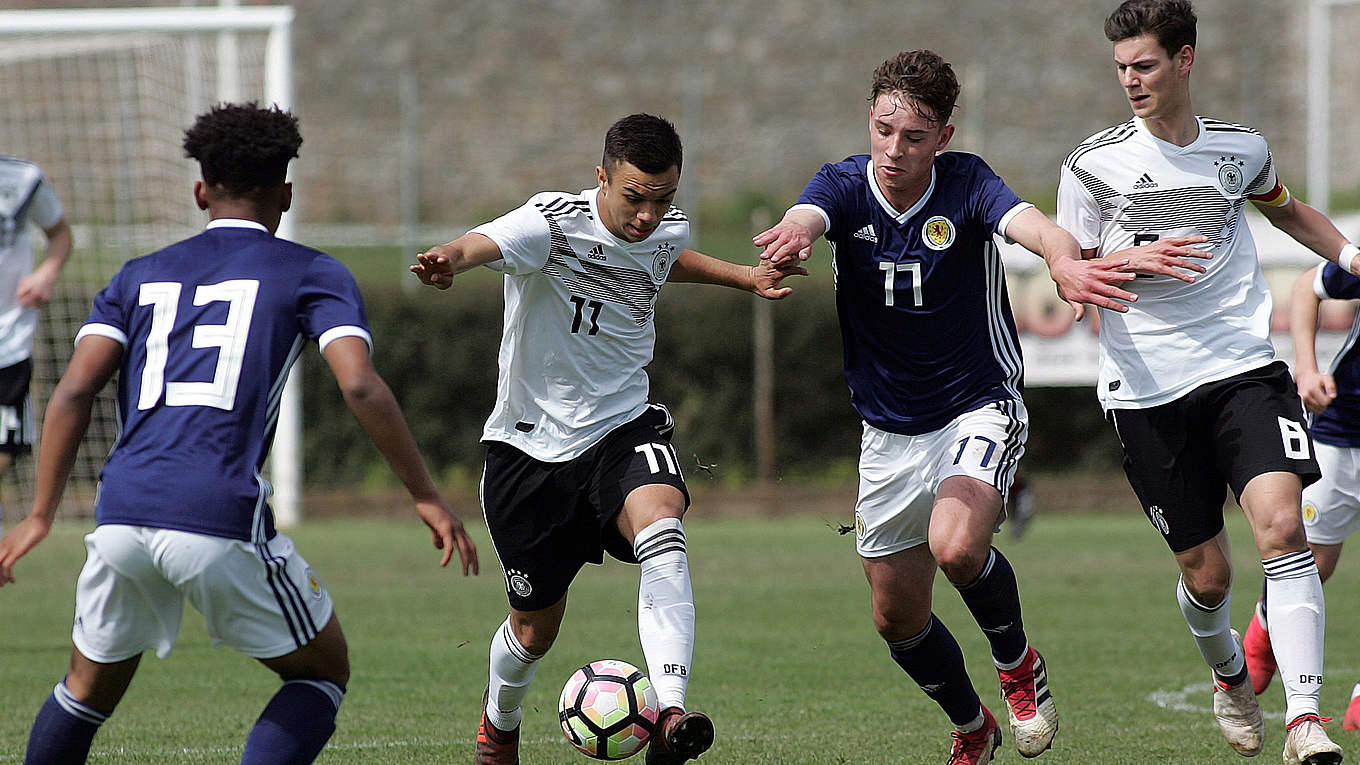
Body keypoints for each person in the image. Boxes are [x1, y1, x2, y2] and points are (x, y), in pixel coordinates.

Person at [0, 102, 480, 765]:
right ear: (286, 192)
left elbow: (75, 390)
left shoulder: (136, 275)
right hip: (216, 511)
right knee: (322, 671)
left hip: (121, 512)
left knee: (86, 689)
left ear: (201, 192)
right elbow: (361, 385)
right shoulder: (313, 272)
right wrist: (425, 494)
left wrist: (40, 514)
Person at [753, 49, 1147, 765]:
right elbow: (806, 214)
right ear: (869, 121)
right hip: (887, 429)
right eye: (883, 130)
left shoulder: (968, 183)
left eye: (914, 136)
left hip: (977, 404)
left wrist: (1061, 259)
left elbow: (1035, 227)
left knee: (957, 545)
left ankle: (1018, 665)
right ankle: (973, 724)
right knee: (895, 617)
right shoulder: (843, 185)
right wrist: (795, 234)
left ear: (944, 137)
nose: (894, 149)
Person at [411, 113, 804, 765]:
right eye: (634, 198)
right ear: (601, 177)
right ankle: (499, 721)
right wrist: (448, 260)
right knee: (534, 629)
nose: (649, 215)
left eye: (663, 198)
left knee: (663, 524)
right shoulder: (550, 223)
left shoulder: (665, 226)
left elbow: (663, 258)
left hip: (623, 426)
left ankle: (670, 713)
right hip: (529, 451)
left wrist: (745, 276)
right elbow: (482, 242)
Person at [1057, 1, 1356, 761]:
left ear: (1184, 60)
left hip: (1241, 367)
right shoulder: (1091, 166)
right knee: (1210, 575)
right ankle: (1228, 674)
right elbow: (1071, 277)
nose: (1131, 80)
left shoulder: (1241, 149)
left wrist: (1352, 255)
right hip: (1146, 389)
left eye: (1145, 65)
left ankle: (1305, 719)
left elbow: (1288, 211)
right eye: (1121, 68)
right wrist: (1128, 261)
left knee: (1283, 528)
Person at [1241, 263, 1360, 733]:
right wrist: (1307, 369)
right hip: (1339, 434)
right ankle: (1265, 627)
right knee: (1313, 562)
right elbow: (1306, 287)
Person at [0, 154, 73, 528]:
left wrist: (47, 272)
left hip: (7, 342)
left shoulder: (23, 178)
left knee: (4, 452)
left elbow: (60, 234)